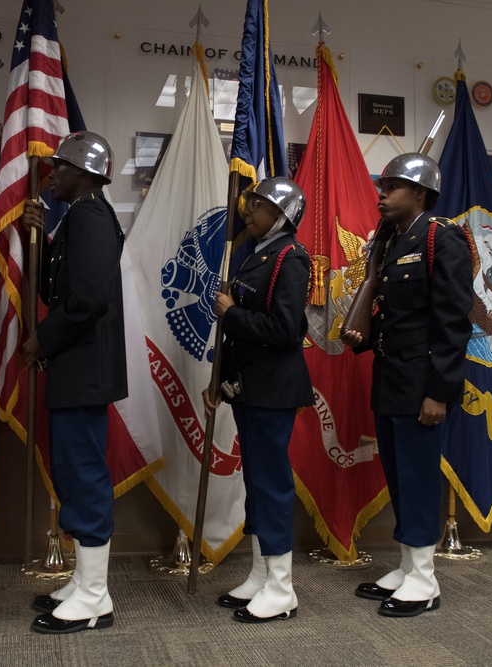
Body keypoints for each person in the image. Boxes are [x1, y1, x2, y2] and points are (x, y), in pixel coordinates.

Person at [340, 153, 473, 618]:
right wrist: (364, 336)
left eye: (393, 186)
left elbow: (454, 322)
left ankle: (424, 576)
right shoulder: (391, 242)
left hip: (422, 378)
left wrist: (440, 390)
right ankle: (406, 563)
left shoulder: (442, 237)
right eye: (382, 185)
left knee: (417, 474)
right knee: (398, 472)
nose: (382, 193)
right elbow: (391, 312)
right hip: (390, 371)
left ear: (420, 194)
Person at [19, 131, 127, 635]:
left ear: (82, 174)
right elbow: (52, 287)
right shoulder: (76, 217)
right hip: (76, 366)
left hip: (83, 366)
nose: (51, 174)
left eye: (59, 167)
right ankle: (85, 580)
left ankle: (95, 595)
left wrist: (43, 338)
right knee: (72, 471)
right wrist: (33, 239)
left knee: (83, 475)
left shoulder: (90, 218)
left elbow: (86, 301)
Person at [202, 177, 314, 624]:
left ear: (282, 214)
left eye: (261, 205)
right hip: (249, 385)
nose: (250, 210)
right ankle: (259, 572)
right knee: (256, 484)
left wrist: (232, 312)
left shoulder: (290, 258)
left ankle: (282, 587)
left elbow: (287, 332)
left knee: (271, 483)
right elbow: (241, 334)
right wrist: (220, 379)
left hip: (273, 387)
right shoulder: (257, 254)